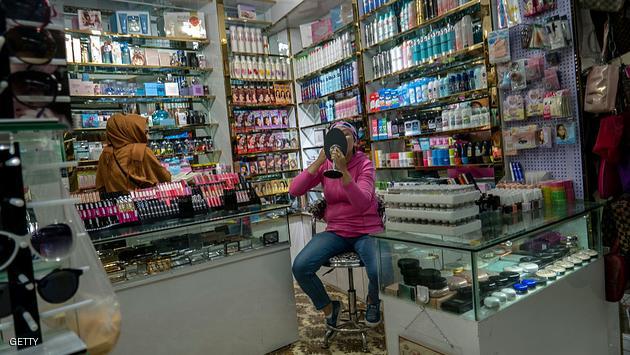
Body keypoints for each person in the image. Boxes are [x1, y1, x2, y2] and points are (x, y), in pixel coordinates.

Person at [289, 121, 383, 328]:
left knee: (379, 269)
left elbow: (362, 203)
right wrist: (319, 161)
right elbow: (295, 190)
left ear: (355, 141)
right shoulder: (325, 165)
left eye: (346, 135)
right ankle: (329, 307)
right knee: (301, 266)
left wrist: (344, 172)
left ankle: (373, 301)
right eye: (335, 135)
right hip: (336, 231)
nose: (339, 139)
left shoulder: (364, 164)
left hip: (367, 231)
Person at [96, 113, 171, 193]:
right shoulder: (142, 151)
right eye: (145, 133)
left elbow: (100, 186)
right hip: (142, 202)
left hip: (116, 203)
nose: (148, 137)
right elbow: (165, 178)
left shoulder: (106, 154)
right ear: (133, 132)